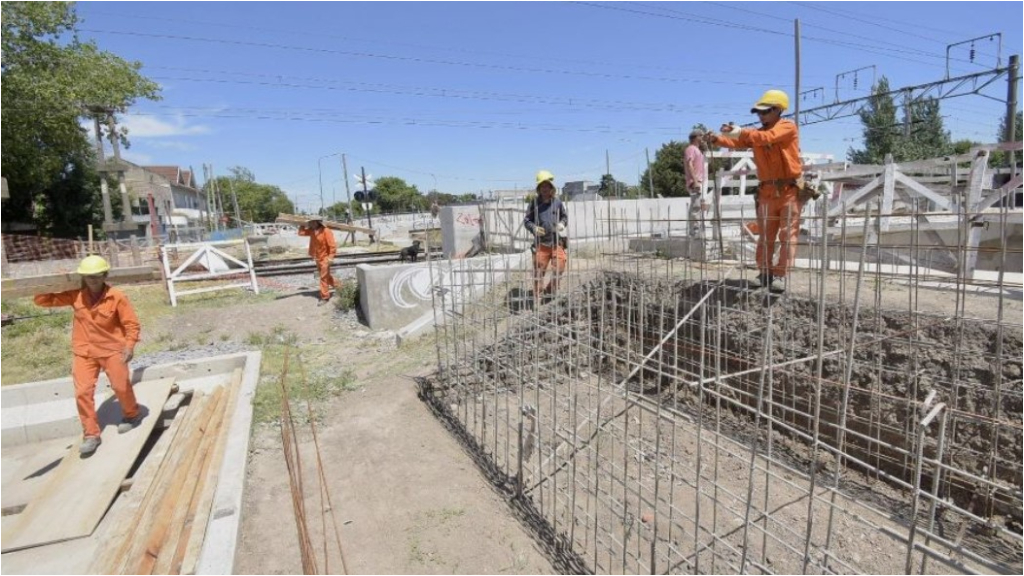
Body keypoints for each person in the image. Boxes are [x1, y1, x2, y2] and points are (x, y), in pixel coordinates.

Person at [34, 256, 142, 456]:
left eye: (96, 276)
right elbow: (42, 300)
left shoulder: (116, 296)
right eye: (87, 277)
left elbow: (131, 324)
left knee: (120, 386)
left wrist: (129, 346)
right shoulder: (76, 296)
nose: (92, 280)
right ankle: (91, 434)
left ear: (104, 275)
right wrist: (54, 282)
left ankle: (132, 414)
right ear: (82, 278)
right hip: (84, 352)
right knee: (82, 392)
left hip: (112, 349)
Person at [706, 89, 804, 292]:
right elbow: (738, 142)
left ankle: (780, 274)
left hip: (788, 191)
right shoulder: (758, 133)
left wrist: (741, 131)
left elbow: (766, 137)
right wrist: (717, 139)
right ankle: (765, 272)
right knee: (766, 236)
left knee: (787, 236)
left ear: (778, 110)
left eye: (765, 111)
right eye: (759, 112)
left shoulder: (787, 127)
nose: (761, 115)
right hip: (767, 192)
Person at [523, 170, 568, 302]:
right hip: (540, 244)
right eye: (542, 187)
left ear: (551, 188)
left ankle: (551, 290)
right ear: (538, 189)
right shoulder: (534, 203)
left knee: (559, 267)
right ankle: (538, 295)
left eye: (547, 186)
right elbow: (526, 220)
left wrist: (562, 224)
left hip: (556, 242)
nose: (544, 189)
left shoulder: (557, 202)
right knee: (538, 272)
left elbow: (565, 217)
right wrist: (534, 228)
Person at [298, 216, 338, 305]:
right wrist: (301, 224)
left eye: (312, 222)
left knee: (323, 277)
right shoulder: (312, 231)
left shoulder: (326, 231)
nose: (310, 224)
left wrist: (330, 257)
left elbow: (332, 246)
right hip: (317, 258)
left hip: (325, 258)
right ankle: (340, 287)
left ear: (317, 222)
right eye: (309, 222)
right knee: (326, 276)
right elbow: (301, 233)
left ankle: (325, 297)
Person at [684, 130, 708, 238]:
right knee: (696, 206)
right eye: (701, 136)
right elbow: (689, 164)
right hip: (695, 182)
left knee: (700, 206)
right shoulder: (690, 149)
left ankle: (697, 229)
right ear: (695, 137)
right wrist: (695, 181)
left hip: (699, 181)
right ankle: (694, 231)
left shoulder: (698, 150)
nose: (702, 137)